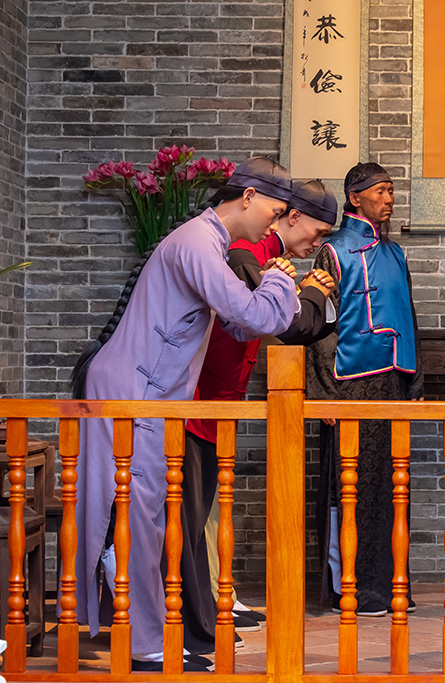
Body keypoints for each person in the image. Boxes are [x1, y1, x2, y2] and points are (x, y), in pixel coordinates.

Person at [69, 157, 300, 671]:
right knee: (142, 517)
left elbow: (240, 327)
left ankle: (140, 625)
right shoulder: (197, 242)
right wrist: (280, 282)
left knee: (146, 516)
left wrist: (272, 289)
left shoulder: (206, 242)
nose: (274, 224)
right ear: (248, 197)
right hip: (135, 391)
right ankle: (146, 645)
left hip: (145, 390)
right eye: (274, 211)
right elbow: (255, 314)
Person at [177, 179, 340, 653]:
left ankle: (213, 606)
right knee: (191, 519)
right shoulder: (241, 252)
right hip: (196, 400)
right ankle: (192, 623)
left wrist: (306, 292)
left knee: (206, 513)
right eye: (317, 230)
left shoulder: (264, 258)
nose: (319, 242)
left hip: (217, 402)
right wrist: (308, 293)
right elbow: (285, 325)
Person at [306, 163, 423, 617]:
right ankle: (351, 587)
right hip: (349, 384)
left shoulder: (396, 254)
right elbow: (320, 327)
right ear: (355, 197)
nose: (389, 199)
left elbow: (409, 319)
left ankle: (389, 584)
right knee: (350, 486)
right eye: (380, 191)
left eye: (391, 191)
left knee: (392, 487)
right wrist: (321, 393)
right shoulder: (333, 252)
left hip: (393, 381)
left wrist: (414, 382)